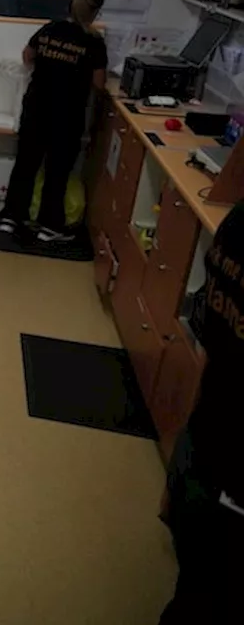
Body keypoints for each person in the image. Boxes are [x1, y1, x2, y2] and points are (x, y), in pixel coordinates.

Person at [159, 202, 244, 623]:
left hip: (204, 454)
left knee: (192, 596)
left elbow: (207, 327)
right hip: (233, 488)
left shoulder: (238, 223)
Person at [0, 0, 109, 244]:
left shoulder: (50, 28)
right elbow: (99, 84)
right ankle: (49, 226)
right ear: (95, 13)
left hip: (36, 107)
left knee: (26, 164)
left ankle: (11, 218)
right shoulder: (93, 43)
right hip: (66, 115)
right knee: (56, 171)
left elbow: (27, 56)